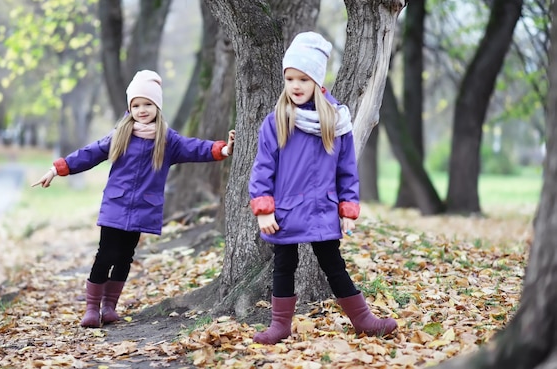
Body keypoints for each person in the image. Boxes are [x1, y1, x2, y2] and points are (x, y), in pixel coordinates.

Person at [33, 70, 235, 328]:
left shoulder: (167, 139)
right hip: (116, 205)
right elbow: (90, 153)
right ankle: (91, 309)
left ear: (157, 107)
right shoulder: (120, 134)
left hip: (144, 207)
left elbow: (195, 147)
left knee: (125, 256)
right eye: (136, 105)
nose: (141, 110)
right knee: (105, 254)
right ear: (130, 107)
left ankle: (109, 306)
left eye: (147, 104)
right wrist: (57, 169)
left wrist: (223, 149)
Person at [248, 32, 397, 344]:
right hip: (285, 210)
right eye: (290, 79)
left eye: (303, 78)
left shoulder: (336, 119)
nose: (296, 86)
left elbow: (346, 170)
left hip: (322, 210)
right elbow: (262, 168)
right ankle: (280, 325)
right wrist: (263, 209)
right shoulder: (276, 121)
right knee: (284, 265)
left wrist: (348, 208)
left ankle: (363, 319)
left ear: (317, 80)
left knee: (334, 265)